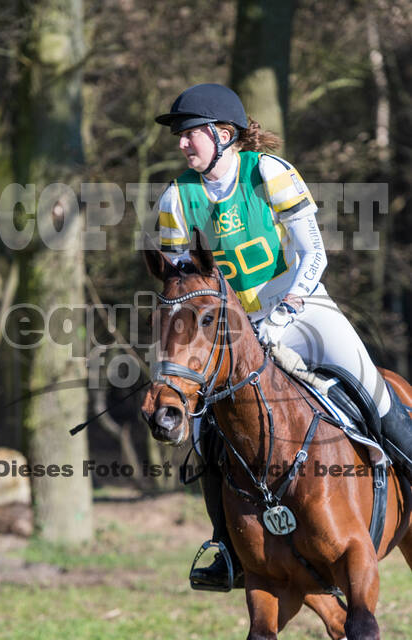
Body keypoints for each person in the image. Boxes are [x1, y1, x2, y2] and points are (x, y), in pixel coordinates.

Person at [154, 83, 412, 589]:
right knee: (210, 432)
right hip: (231, 331)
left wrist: (287, 308)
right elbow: (182, 282)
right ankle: (226, 546)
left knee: (374, 392)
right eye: (181, 137)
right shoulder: (175, 197)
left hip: (302, 307)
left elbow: (313, 253)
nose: (183, 144)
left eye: (190, 135)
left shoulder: (267, 171)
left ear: (223, 133)